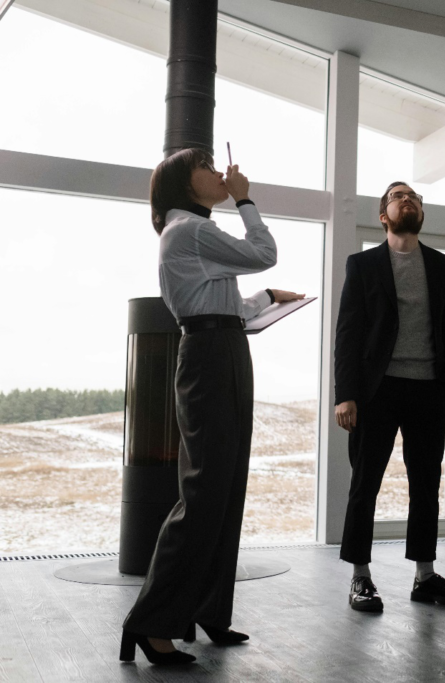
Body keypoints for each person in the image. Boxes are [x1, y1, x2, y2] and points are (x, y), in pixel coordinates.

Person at [120, 149, 304, 665]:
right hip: (208, 356)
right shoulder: (188, 230)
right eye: (208, 166)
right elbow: (263, 250)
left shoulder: (196, 237)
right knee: (204, 492)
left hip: (222, 348)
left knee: (225, 489)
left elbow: (226, 306)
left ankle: (208, 609)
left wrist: (267, 298)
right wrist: (245, 197)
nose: (220, 174)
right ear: (184, 183)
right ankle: (150, 623)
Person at [333, 181, 445, 612]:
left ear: (421, 213)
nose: (407, 199)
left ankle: (424, 575)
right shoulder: (363, 264)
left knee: (426, 483)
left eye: (414, 196)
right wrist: (346, 395)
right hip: (377, 390)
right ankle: (360, 577)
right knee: (365, 483)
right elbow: (348, 334)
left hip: (428, 387)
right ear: (383, 214)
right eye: (397, 196)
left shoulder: (440, 265)